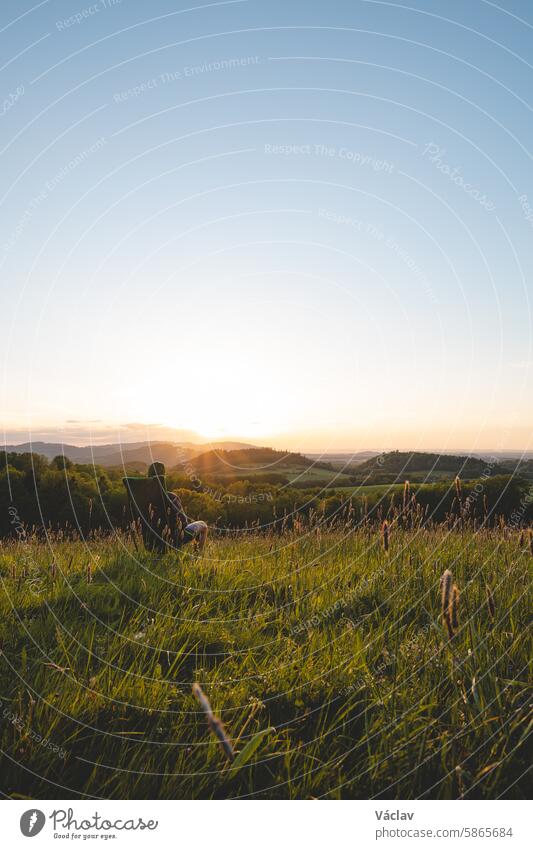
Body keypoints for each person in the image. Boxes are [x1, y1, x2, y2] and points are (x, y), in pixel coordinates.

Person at [147, 462, 208, 551]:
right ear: (163, 478)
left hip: (151, 541)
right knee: (203, 525)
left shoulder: (144, 500)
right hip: (175, 541)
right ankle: (197, 556)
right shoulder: (172, 498)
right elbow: (183, 523)